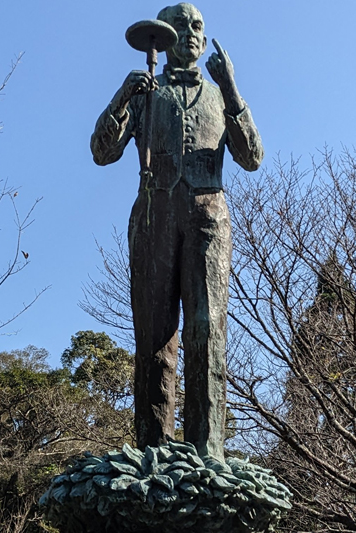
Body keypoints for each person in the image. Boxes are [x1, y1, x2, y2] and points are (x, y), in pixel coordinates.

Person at [90, 2, 263, 460]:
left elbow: (252, 157)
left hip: (209, 214)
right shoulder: (146, 91)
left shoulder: (220, 95)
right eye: (180, 25)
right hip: (153, 215)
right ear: (163, 37)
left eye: (198, 26)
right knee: (154, 334)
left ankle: (209, 449)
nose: (190, 32)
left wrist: (230, 87)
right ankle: (153, 448)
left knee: (207, 329)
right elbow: (101, 152)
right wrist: (121, 98)